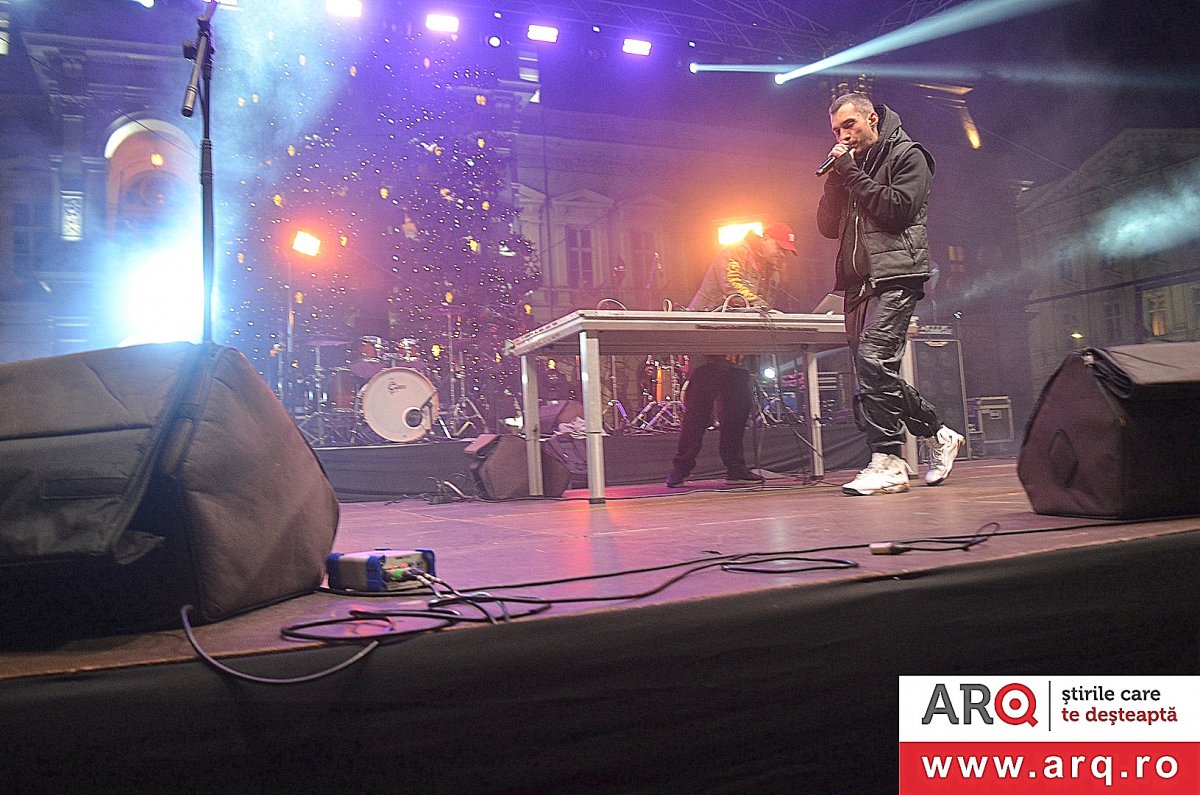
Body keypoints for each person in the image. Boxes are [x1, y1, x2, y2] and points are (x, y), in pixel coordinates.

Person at [816, 92, 965, 496]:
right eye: (836, 130)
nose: (843, 135)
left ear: (872, 120)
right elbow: (827, 227)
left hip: (896, 276)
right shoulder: (853, 168)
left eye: (849, 125)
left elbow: (897, 210)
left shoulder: (909, 155)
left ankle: (889, 461)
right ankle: (938, 433)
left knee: (873, 360)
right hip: (857, 283)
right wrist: (836, 179)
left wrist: (851, 173)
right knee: (871, 373)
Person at [665, 223, 798, 488]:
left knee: (739, 408)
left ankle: (735, 468)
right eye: (780, 248)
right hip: (710, 337)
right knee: (699, 410)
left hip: (737, 345)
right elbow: (734, 289)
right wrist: (764, 307)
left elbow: (759, 311)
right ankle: (681, 468)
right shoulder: (735, 251)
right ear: (766, 239)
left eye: (786, 252)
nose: (782, 255)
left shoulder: (771, 272)